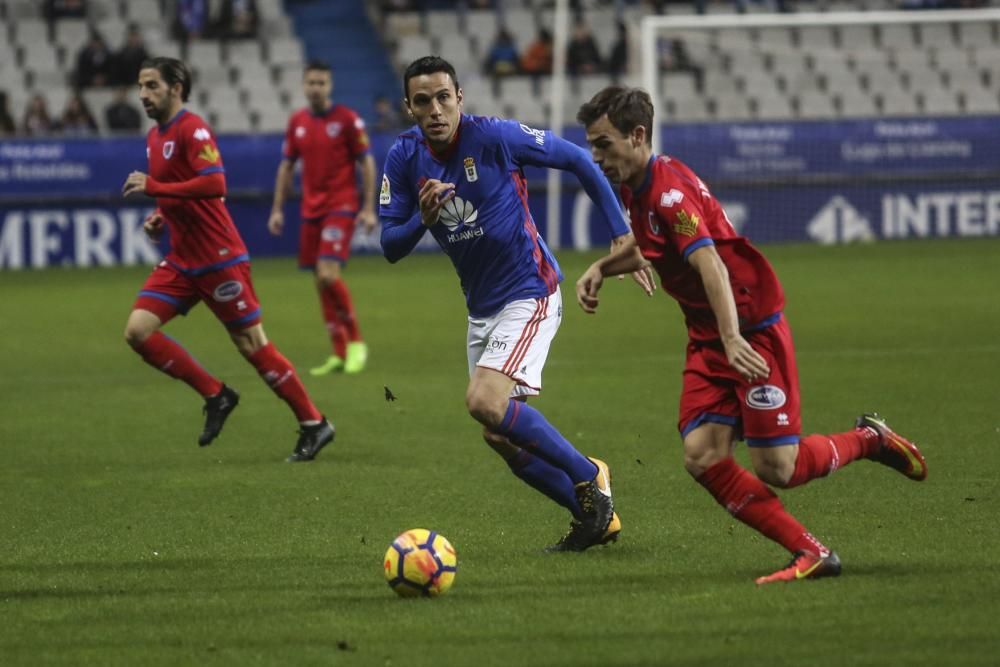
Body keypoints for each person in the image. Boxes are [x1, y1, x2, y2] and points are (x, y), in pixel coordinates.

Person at [574, 86, 928, 583]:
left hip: (750, 332)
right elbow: (653, 246)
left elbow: (710, 263)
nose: (597, 156)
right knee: (702, 456)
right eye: (591, 145)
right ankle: (811, 552)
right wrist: (602, 267)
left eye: (603, 144)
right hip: (710, 336)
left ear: (637, 136)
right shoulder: (641, 185)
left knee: (778, 468)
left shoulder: (667, 192)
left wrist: (734, 337)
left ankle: (869, 440)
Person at [379, 56, 654, 551]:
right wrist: (421, 218)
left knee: (484, 402)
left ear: (460, 97)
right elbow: (390, 246)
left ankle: (590, 474)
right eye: (423, 101)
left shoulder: (495, 137)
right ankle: (593, 518)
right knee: (499, 434)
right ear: (409, 108)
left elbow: (574, 158)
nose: (436, 109)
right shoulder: (403, 157)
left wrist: (620, 233)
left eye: (444, 97)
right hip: (482, 307)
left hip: (530, 289)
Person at [121, 57, 335, 463]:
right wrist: (161, 215)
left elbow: (215, 181)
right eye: (141, 86)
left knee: (251, 343)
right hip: (182, 260)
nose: (143, 94)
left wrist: (155, 187)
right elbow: (180, 188)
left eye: (151, 86)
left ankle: (313, 423)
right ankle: (216, 394)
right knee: (138, 331)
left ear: (176, 88)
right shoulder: (155, 136)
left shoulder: (192, 127)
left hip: (219, 258)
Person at [268, 61, 376, 376]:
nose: (316, 87)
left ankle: (356, 342)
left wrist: (368, 207)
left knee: (328, 274)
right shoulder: (297, 122)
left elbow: (366, 163)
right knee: (319, 280)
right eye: (311, 82)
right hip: (310, 210)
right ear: (303, 85)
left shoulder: (347, 120)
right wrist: (277, 208)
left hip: (340, 206)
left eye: (322, 82)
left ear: (330, 86)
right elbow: (286, 166)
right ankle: (339, 352)